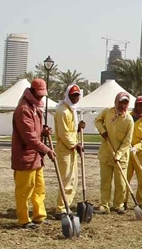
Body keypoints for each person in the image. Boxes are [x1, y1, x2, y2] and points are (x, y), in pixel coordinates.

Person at [11, 79, 56, 229]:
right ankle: (24, 219)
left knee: (39, 188)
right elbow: (29, 137)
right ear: (32, 91)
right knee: (24, 190)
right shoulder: (24, 109)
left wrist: (43, 131)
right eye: (39, 95)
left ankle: (39, 216)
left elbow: (35, 132)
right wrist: (47, 149)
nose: (41, 98)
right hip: (25, 157)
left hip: (36, 157)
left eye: (43, 95)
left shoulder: (35, 107)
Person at [95, 92, 134, 215]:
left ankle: (118, 205)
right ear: (116, 101)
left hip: (121, 157)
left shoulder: (129, 120)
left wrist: (118, 155)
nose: (122, 105)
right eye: (121, 102)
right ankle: (104, 205)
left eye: (125, 103)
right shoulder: (107, 112)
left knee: (121, 184)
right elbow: (97, 121)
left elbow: (127, 142)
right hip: (106, 153)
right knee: (105, 181)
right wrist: (102, 131)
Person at [53, 84, 86, 219]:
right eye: (73, 95)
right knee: (66, 179)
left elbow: (70, 131)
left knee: (73, 179)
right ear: (67, 95)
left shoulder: (71, 110)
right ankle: (61, 208)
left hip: (71, 149)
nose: (75, 98)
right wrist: (75, 145)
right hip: (64, 149)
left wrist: (78, 129)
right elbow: (63, 133)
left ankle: (67, 206)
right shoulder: (63, 111)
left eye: (77, 95)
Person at [125, 96, 142, 210]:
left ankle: (141, 202)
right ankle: (122, 202)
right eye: (139, 105)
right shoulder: (127, 117)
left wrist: (137, 147)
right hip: (126, 153)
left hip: (140, 154)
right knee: (125, 179)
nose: (141, 107)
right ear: (135, 105)